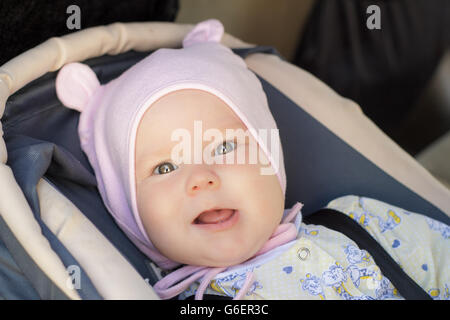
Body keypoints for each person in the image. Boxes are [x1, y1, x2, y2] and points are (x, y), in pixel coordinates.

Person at [55, 19, 449, 300]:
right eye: (164, 167)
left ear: (270, 157)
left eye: (223, 147)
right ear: (129, 215)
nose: (202, 178)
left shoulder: (360, 222)